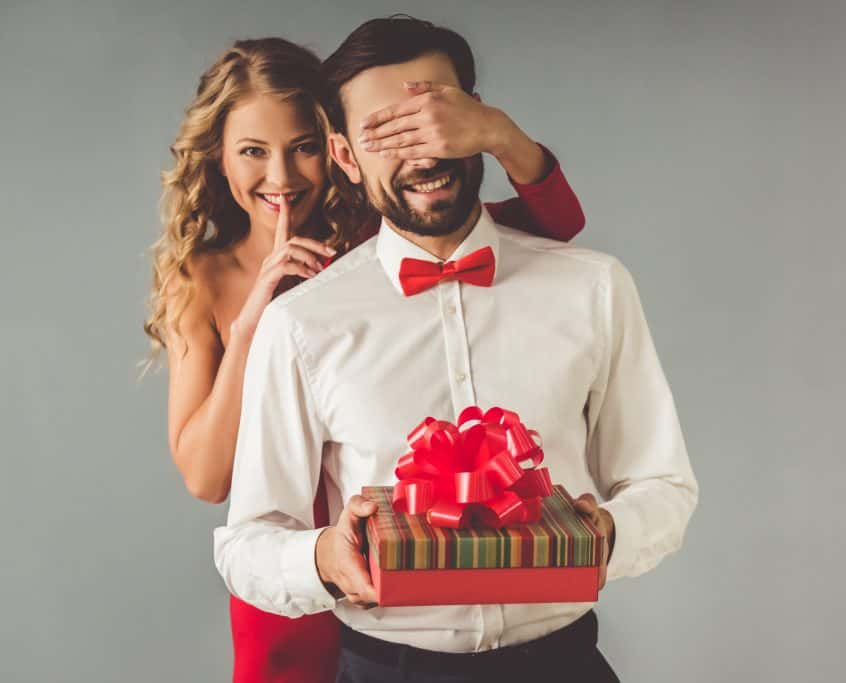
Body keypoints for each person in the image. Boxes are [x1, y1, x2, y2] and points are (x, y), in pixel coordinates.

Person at [214, 16, 699, 683]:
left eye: (436, 116)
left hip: (564, 661)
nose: (421, 151)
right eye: (386, 132)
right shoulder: (301, 323)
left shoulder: (596, 287)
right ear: (346, 158)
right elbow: (247, 542)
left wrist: (611, 532)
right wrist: (325, 558)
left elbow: (664, 486)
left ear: (477, 121)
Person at [144, 36, 587, 683]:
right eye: (252, 151)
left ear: (337, 150)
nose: (281, 176)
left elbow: (556, 224)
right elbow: (207, 477)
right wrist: (253, 326)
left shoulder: (388, 236)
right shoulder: (202, 278)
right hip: (295, 574)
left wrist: (494, 131)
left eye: (300, 147)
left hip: (412, 572)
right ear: (218, 158)